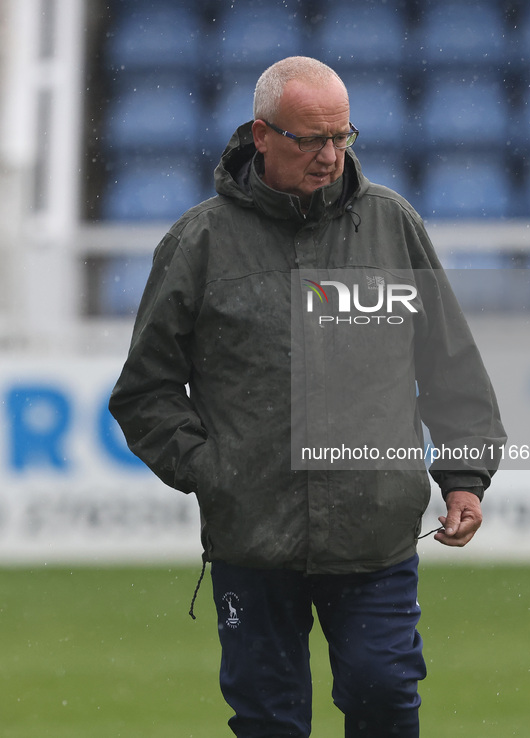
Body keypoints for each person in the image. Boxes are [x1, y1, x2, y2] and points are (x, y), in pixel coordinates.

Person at [109, 56, 506, 738]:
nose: (329, 156)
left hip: (375, 533)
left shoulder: (392, 225)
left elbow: (450, 367)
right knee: (268, 721)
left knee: (383, 699)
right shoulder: (198, 242)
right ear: (260, 134)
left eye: (341, 137)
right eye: (310, 140)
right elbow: (143, 391)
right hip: (251, 539)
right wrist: (213, 472)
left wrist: (464, 477)